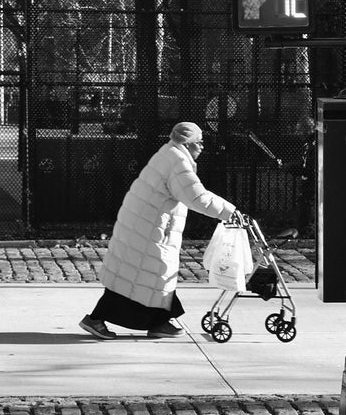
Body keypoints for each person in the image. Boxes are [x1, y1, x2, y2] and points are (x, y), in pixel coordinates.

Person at [80, 121, 238, 340]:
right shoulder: (177, 162)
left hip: (146, 225)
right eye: (199, 142)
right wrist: (231, 212)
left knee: (146, 276)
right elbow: (197, 197)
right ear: (188, 143)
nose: (202, 146)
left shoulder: (170, 154)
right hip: (148, 229)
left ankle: (159, 322)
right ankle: (97, 319)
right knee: (140, 275)